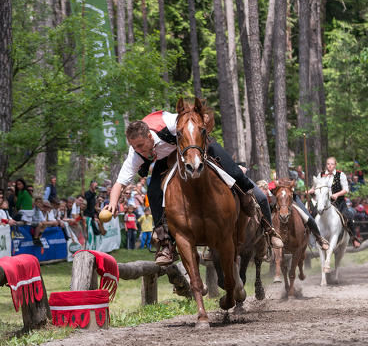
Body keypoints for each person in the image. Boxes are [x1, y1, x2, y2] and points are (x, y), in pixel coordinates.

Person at [107, 107, 283, 266]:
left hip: (194, 144)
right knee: (153, 193)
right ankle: (166, 242)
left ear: (149, 136)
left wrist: (202, 118)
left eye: (140, 145)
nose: (138, 150)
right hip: (167, 157)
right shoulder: (136, 153)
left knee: (235, 172)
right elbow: (119, 183)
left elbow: (194, 119)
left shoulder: (170, 123)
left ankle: (263, 220)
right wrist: (113, 203)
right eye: (134, 147)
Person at [309, 156, 361, 248]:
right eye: (328, 164)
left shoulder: (340, 175)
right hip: (323, 202)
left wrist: (336, 195)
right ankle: (311, 238)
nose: (330, 166)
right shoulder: (320, 174)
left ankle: (354, 238)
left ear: (335, 165)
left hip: (338, 202)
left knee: (348, 215)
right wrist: (310, 190)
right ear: (326, 165)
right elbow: (314, 187)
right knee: (310, 215)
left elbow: (346, 189)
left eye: (332, 164)